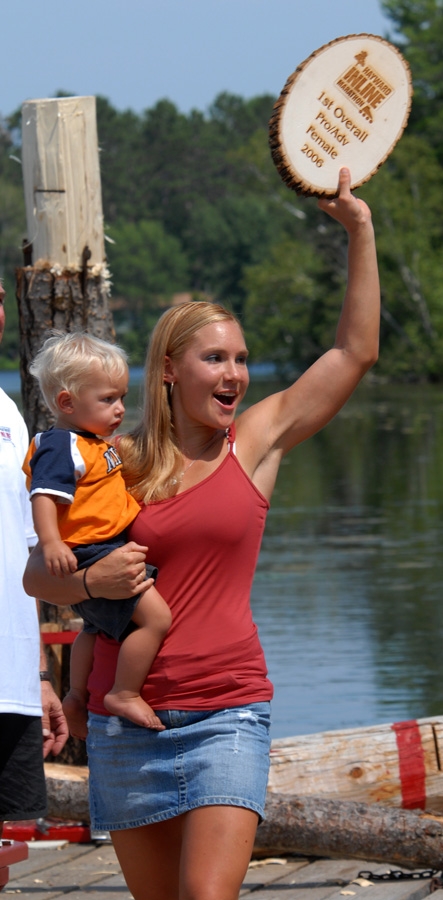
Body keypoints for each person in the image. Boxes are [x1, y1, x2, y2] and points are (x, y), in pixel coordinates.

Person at [23, 168, 380, 900]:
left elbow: (353, 354)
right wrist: (92, 583)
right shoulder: (114, 461)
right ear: (168, 371)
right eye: (215, 359)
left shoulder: (254, 446)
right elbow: (38, 576)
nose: (235, 375)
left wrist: (359, 231)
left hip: (226, 710)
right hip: (127, 723)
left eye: (241, 359)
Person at [23, 332, 172, 739]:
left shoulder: (91, 441)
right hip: (92, 551)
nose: (120, 409)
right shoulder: (60, 444)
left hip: (99, 548)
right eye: (108, 400)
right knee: (156, 619)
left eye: (122, 397)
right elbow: (43, 496)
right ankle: (124, 692)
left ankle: (75, 695)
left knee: (93, 628)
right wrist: (51, 542)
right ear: (67, 403)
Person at [0, 282, 68, 837]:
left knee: (7, 846)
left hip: (11, 679)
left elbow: (28, 558)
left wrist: (40, 674)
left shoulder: (8, 414)